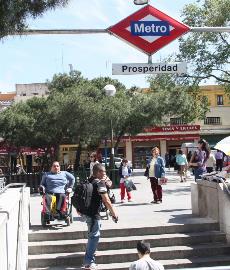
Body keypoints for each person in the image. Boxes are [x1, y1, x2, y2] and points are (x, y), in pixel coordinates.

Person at [81, 163, 118, 270]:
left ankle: (90, 258)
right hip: (94, 215)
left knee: (92, 236)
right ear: (98, 172)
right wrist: (114, 213)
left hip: (87, 213)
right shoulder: (99, 184)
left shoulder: (89, 180)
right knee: (94, 237)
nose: (105, 174)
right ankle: (89, 262)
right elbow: (106, 200)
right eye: (104, 172)